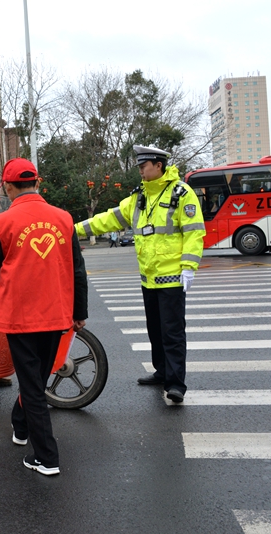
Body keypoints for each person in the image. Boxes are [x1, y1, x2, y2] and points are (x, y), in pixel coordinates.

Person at [0, 158, 88, 476]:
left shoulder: (2, 222)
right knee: (36, 380)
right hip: (57, 314)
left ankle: (46, 457)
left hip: (21, 317)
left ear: (9, 187)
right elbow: (78, 270)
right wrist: (79, 312)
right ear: (37, 183)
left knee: (32, 387)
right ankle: (21, 426)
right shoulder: (64, 219)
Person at [75, 145, 205, 403]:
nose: (140, 172)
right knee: (155, 330)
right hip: (149, 278)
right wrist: (69, 229)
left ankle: (176, 383)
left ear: (159, 165)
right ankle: (162, 371)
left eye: (143, 167)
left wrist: (189, 267)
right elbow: (107, 220)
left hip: (172, 278)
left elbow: (194, 232)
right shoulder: (139, 198)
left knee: (172, 332)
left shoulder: (182, 194)